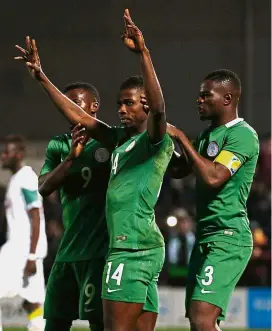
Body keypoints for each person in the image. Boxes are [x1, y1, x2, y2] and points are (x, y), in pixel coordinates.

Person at [15, 9, 174, 331]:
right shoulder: (118, 138)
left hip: (134, 246)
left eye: (129, 103)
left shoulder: (154, 140)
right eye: (120, 103)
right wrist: (42, 77)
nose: (122, 109)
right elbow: (81, 119)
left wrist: (143, 53)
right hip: (127, 245)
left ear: (145, 105)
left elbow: (159, 109)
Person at [167, 69, 259, 331]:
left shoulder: (242, 135)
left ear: (228, 99)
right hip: (206, 235)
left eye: (206, 95)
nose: (199, 100)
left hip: (228, 236)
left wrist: (182, 138)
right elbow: (179, 169)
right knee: (200, 323)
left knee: (202, 316)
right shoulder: (208, 135)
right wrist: (161, 141)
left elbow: (214, 177)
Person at [38, 82, 112, 331]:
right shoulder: (58, 145)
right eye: (64, 105)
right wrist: (71, 158)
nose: (67, 110)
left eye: (75, 104)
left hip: (99, 253)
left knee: (99, 323)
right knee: (55, 323)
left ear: (94, 106)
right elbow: (44, 187)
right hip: (66, 252)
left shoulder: (111, 141)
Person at [0, 135, 47, 331]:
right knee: (32, 301)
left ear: (18, 154)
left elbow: (35, 216)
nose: (3, 156)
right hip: (23, 249)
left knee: (33, 299)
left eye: (6, 152)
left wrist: (31, 255)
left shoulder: (26, 177)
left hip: (22, 249)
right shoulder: (16, 180)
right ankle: (37, 327)